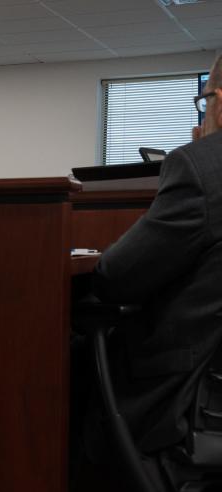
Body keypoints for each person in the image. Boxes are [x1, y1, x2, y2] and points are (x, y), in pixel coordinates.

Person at [93, 54, 222, 454]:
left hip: (187, 395)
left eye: (205, 101)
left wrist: (206, 152)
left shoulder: (201, 165)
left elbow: (116, 278)